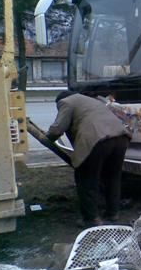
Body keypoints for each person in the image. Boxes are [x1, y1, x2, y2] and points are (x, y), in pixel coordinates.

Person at [46, 91, 132, 227]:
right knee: (112, 177)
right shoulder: (93, 101)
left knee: (86, 178)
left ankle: (92, 218)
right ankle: (112, 213)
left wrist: (48, 137)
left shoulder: (66, 102)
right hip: (121, 137)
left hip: (97, 139)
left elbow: (57, 129)